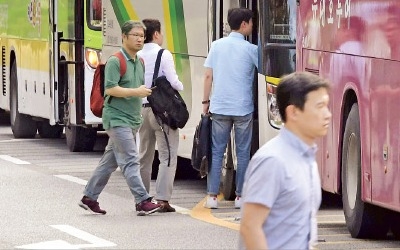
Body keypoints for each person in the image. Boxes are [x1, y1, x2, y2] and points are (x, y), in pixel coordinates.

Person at [239, 72, 332, 249]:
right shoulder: (272, 160)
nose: (327, 114)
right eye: (320, 106)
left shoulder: (306, 158)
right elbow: (250, 227)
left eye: (327, 106)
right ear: (294, 112)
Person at [78, 20, 161, 216]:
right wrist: (137, 92)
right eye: (135, 35)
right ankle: (142, 200)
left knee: (109, 162)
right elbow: (110, 89)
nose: (140, 39)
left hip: (132, 119)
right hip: (116, 118)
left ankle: (89, 197)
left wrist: (141, 94)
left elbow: (136, 90)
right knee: (131, 160)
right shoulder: (116, 61)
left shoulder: (139, 61)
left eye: (142, 36)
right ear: (124, 37)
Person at [202, 7, 258, 209]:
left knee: (217, 152)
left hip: (220, 107)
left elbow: (208, 76)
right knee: (242, 153)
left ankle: (212, 197)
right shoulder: (251, 50)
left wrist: (205, 103)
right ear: (244, 24)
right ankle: (241, 198)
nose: (252, 26)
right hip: (243, 108)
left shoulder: (216, 46)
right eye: (251, 22)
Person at [137, 19, 183, 213]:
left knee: (144, 156)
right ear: (156, 34)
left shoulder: (136, 54)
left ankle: (141, 198)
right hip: (160, 112)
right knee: (168, 155)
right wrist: (181, 86)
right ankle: (163, 199)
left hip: (140, 109)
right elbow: (173, 81)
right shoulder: (163, 54)